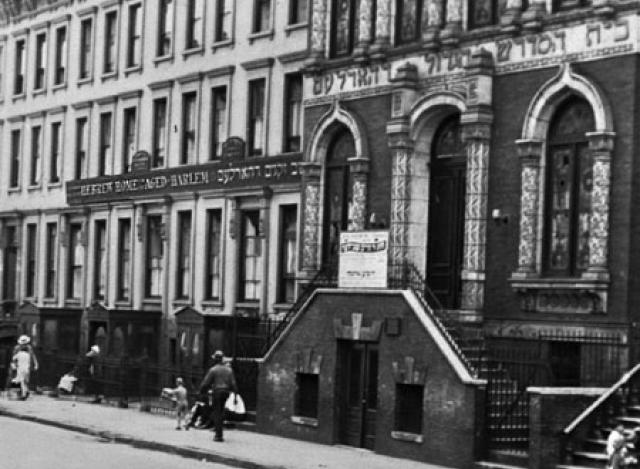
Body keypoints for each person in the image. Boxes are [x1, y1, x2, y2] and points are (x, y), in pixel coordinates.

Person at [199, 350, 238, 442]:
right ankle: (219, 431)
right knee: (221, 411)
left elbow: (205, 383)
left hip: (217, 392)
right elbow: (233, 384)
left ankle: (218, 435)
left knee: (217, 413)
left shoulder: (213, 370)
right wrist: (235, 397)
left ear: (215, 359)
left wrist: (201, 392)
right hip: (226, 392)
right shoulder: (229, 370)